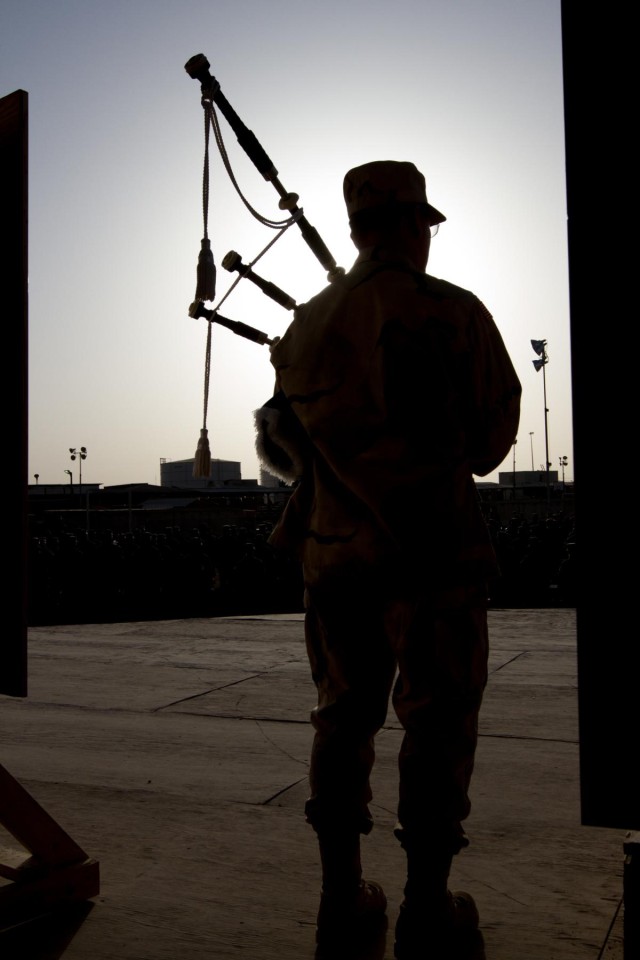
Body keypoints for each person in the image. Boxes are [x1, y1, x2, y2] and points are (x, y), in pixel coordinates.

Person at [254, 160, 521, 959]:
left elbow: (279, 450)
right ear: (414, 224)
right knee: (436, 728)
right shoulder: (455, 314)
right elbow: (489, 444)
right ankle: (426, 907)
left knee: (342, 722)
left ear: (353, 228)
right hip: (433, 561)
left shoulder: (303, 327)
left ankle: (342, 899)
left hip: (335, 565)